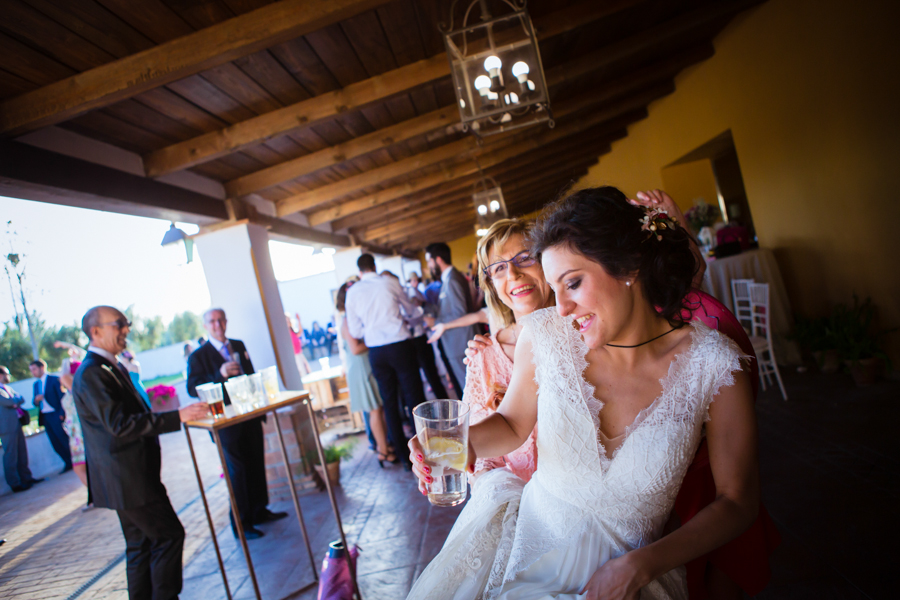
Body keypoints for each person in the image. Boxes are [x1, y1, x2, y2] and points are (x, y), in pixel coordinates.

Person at [409, 187, 761, 600]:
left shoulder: (716, 365)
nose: (561, 308)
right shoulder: (545, 338)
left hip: (636, 576)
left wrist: (643, 564)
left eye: (573, 283)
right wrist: (458, 442)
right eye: (555, 288)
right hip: (531, 559)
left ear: (629, 266)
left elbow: (737, 502)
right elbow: (512, 423)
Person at [73, 305, 209, 600]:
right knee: (169, 536)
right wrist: (178, 417)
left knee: (140, 546)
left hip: (128, 477)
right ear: (95, 332)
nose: (126, 329)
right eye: (118, 323)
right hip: (128, 478)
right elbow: (119, 424)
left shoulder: (109, 366)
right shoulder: (93, 373)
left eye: (127, 322)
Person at [187, 308, 288, 539]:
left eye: (221, 320)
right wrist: (219, 374)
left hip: (249, 415)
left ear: (226, 322)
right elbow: (193, 388)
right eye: (212, 321)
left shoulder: (238, 345)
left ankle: (259, 511)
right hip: (225, 423)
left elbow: (250, 375)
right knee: (237, 472)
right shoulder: (198, 356)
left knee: (255, 463)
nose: (218, 325)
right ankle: (241, 524)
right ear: (206, 326)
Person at [345, 253, 427, 470]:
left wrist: (371, 327)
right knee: (414, 397)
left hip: (376, 351)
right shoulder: (389, 282)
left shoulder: (352, 292)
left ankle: (402, 455)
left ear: (361, 270)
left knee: (389, 403)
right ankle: (425, 450)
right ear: (374, 265)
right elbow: (410, 310)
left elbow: (354, 330)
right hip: (400, 344)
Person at [335, 282, 394, 466]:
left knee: (379, 408)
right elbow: (355, 348)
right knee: (374, 410)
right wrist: (374, 336)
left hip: (365, 366)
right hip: (360, 368)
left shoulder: (351, 319)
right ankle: (382, 451)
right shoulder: (346, 321)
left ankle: (385, 446)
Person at [425, 242, 481, 394]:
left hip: (460, 342)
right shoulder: (449, 278)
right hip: (457, 342)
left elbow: (459, 312)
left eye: (429, 261)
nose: (429, 265)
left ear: (438, 260)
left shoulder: (453, 279)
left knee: (472, 389)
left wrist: (435, 322)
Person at [57, 344, 91, 506]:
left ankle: (96, 495)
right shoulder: (79, 387)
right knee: (84, 468)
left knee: (80, 468)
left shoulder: (75, 386)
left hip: (81, 434)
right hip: (79, 433)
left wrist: (68, 352)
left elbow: (63, 375)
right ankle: (95, 495)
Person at [0, 365, 41, 492]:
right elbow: (8, 402)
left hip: (16, 424)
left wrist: (14, 401)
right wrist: (14, 401)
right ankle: (15, 483)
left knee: (22, 453)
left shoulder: (7, 388)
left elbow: (20, 399)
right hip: (6, 427)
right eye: (6, 373)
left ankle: (26, 478)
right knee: (11, 455)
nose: (8, 376)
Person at [29, 359, 72, 473]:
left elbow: (62, 397)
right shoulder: (36, 384)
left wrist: (62, 414)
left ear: (41, 368)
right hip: (45, 417)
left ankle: (75, 461)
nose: (32, 372)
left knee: (63, 438)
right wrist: (36, 400)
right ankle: (67, 462)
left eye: (34, 369)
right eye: (31, 370)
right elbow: (34, 402)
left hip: (56, 414)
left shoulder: (54, 379)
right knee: (55, 442)